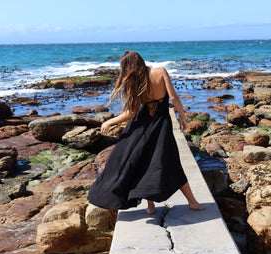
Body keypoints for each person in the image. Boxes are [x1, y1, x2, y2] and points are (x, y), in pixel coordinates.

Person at [88, 50, 205, 215]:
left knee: (142, 163)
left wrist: (110, 121)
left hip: (141, 127)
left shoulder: (134, 83)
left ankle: (151, 206)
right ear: (140, 61)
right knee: (172, 164)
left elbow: (131, 113)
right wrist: (183, 118)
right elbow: (174, 98)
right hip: (161, 125)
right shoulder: (160, 71)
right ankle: (192, 202)